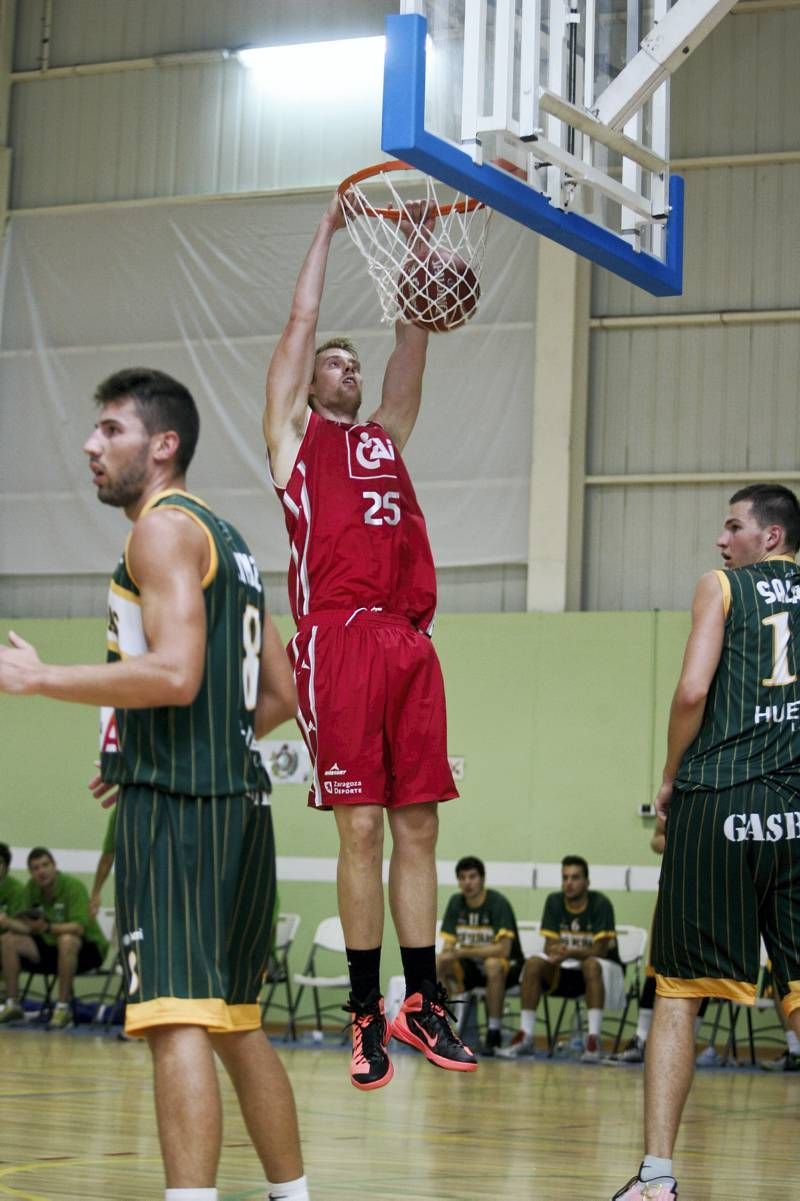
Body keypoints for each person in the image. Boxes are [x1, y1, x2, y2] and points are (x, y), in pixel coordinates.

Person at [0, 368, 309, 1201]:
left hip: (178, 811)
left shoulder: (160, 533)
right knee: (238, 1026)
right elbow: (278, 696)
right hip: (240, 804)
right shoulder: (229, 540)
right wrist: (161, 744)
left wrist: (40, 680)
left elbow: (176, 673)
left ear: (162, 444)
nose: (91, 447)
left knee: (175, 1017)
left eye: (110, 430)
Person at [263, 194, 476, 1090]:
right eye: (332, 363)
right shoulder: (291, 440)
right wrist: (327, 233)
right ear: (310, 383)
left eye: (353, 362)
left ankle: (418, 1002)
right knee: (359, 828)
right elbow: (302, 319)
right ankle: (361, 1013)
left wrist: (421, 250)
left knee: (418, 824)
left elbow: (412, 349)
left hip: (405, 642)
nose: (345, 368)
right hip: (337, 642)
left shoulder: (386, 437)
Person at [612, 484, 800, 1201]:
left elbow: (693, 690)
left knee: (679, 992)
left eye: (734, 526)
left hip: (720, 800)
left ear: (771, 537)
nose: (722, 541)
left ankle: (657, 1177)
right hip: (795, 811)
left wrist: (669, 778)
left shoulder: (722, 586)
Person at [498, 855, 622, 1062]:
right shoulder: (554, 901)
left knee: (591, 964)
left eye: (575, 878)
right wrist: (562, 952)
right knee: (533, 963)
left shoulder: (601, 904)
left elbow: (600, 950)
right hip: (564, 969)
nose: (569, 883)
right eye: (565, 878)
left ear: (587, 882)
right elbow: (549, 946)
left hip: (597, 972)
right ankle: (526, 1036)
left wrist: (570, 951)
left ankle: (593, 1040)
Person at [0, 846, 109, 1028]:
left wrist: (47, 927)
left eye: (45, 865)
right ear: (31, 873)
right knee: (8, 940)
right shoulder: (31, 889)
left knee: (66, 939)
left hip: (87, 949)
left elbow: (78, 928)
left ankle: (63, 1007)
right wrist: (7, 922)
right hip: (51, 947)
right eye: (35, 868)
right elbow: (26, 927)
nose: (41, 871)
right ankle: (13, 1004)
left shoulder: (73, 887)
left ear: (54, 866)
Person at [437, 856, 523, 1055]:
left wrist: (464, 951)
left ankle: (494, 1032)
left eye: (472, 877)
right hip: (472, 968)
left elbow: (503, 949)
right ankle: (442, 1025)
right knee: (440, 961)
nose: (467, 882)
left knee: (493, 964)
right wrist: (447, 958)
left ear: (482, 879)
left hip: (507, 968)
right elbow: (449, 947)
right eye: (462, 878)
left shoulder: (497, 902)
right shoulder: (456, 902)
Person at [616, 818, 666, 1064]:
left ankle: (688, 1040)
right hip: (673, 892)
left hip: (715, 892)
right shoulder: (680, 792)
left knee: (700, 972)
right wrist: (680, 842)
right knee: (655, 968)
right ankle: (641, 1038)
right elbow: (656, 841)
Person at [0, 842, 25, 1001]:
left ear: (6, 867)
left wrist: (5, 921)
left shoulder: (17, 890)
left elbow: (21, 926)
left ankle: (10, 999)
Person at [89, 807, 117, 919]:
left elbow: (107, 859)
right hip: (132, 892)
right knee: (130, 934)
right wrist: (96, 893)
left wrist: (96, 892)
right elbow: (107, 858)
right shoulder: (121, 812)